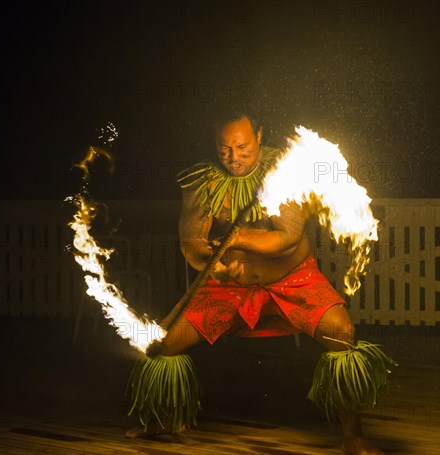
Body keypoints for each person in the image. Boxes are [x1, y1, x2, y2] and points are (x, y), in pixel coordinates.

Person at [125, 112, 396, 455]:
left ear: (259, 136)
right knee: (164, 344)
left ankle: (352, 436)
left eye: (242, 147)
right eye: (225, 150)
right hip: (230, 286)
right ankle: (161, 422)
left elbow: (287, 236)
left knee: (341, 332)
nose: (234, 158)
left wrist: (239, 236)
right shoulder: (201, 181)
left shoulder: (283, 170)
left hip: (291, 279)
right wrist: (216, 265)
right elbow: (190, 241)